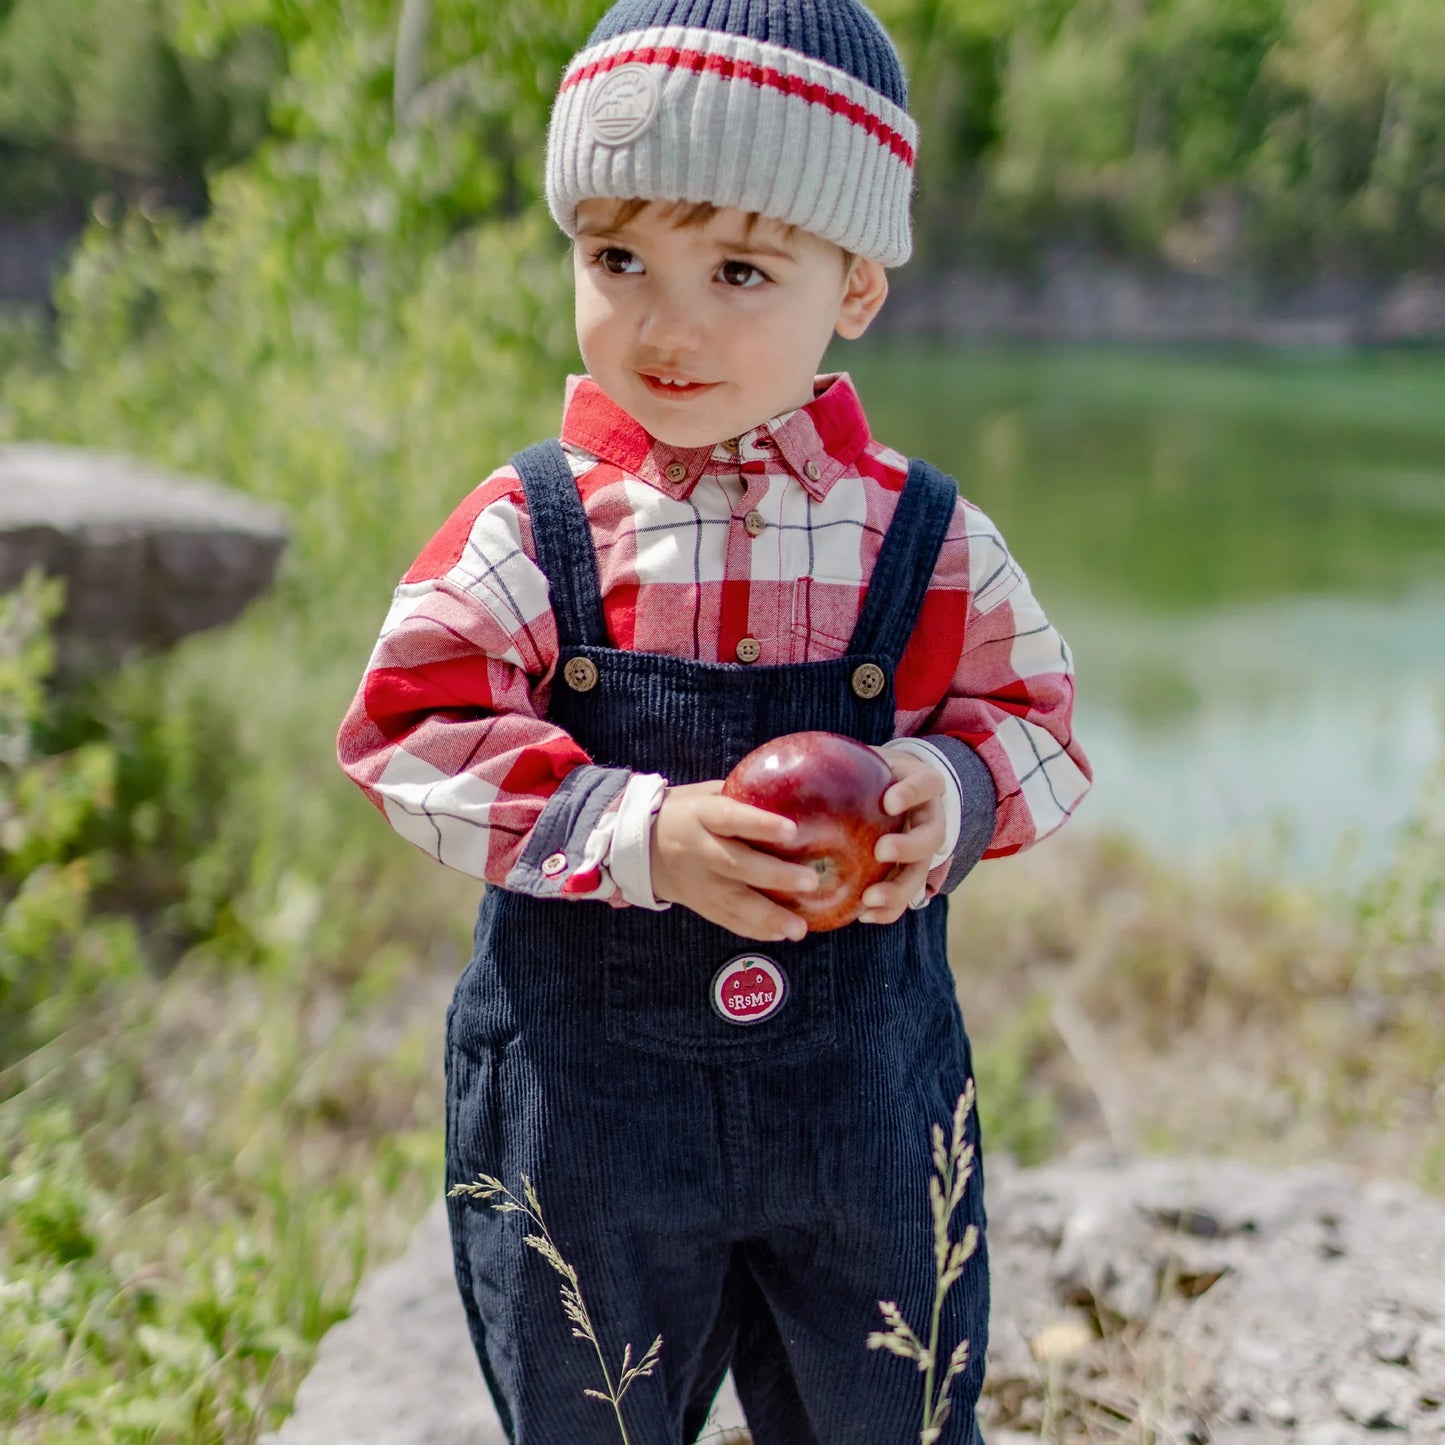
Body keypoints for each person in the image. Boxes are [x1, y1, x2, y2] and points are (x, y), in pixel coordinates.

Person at [337, 1, 1091, 1440]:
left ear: (853, 285)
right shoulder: (534, 527)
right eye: (617, 258)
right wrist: (638, 829)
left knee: (889, 1403)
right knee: (591, 1405)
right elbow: (405, 726)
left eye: (738, 268)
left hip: (857, 1112)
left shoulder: (913, 536)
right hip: (589, 1124)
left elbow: (1040, 718)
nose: (664, 322)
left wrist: (947, 779)